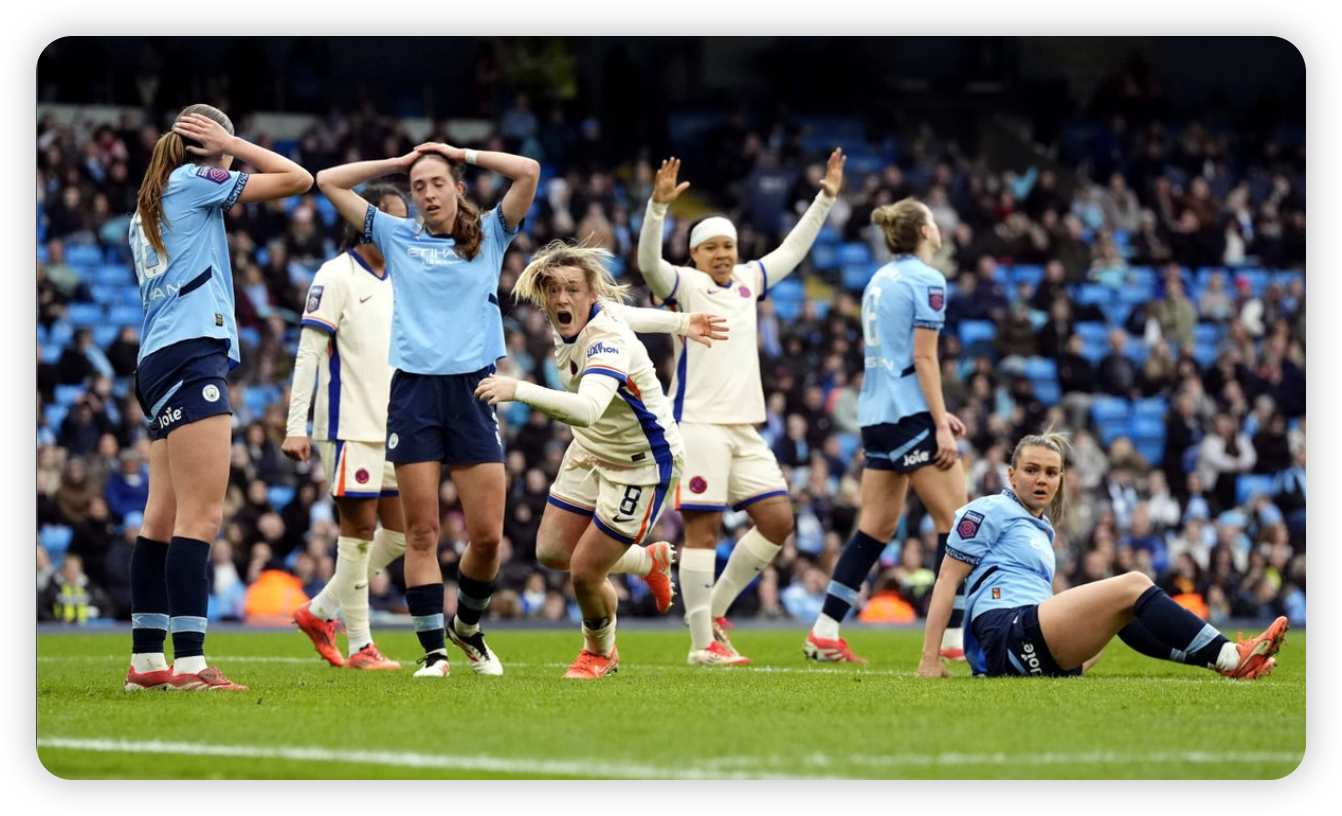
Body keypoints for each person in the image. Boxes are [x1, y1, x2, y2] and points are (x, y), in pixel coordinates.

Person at [318, 139, 539, 678]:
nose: (428, 193)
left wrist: (462, 151)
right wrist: (396, 164)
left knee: (487, 537)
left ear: (458, 189)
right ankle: (434, 653)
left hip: (473, 391)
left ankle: (467, 627)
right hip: (415, 393)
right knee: (421, 533)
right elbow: (328, 180)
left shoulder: (490, 232)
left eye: (438, 183)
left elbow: (528, 171)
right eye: (418, 187)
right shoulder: (397, 236)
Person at [124, 105, 312, 692]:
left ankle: (147, 662)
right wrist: (236, 146)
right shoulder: (190, 181)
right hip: (191, 353)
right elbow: (298, 179)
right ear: (208, 144)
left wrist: (225, 146)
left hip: (157, 359)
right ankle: (190, 663)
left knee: (160, 517)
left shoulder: (149, 203)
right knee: (201, 516)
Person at [475, 240, 726, 678]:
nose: (562, 298)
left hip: (642, 463)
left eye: (572, 289)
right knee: (552, 552)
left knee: (585, 573)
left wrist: (518, 389)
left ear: (591, 293)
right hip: (593, 447)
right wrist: (682, 322)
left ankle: (599, 651)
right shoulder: (584, 315)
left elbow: (589, 408)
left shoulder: (606, 341)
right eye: (553, 290)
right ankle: (647, 562)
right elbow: (631, 315)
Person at [636, 149, 846, 665]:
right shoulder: (685, 285)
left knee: (777, 521)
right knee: (703, 529)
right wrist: (657, 209)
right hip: (698, 423)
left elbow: (793, 249)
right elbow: (648, 265)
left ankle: (714, 613)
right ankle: (701, 643)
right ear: (694, 254)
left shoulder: (750, 280)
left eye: (728, 245)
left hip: (745, 427)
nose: (722, 254)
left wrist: (824, 198)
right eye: (711, 247)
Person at [916, 429, 1289, 680]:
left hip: (1032, 647)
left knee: (1123, 611)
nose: (1042, 479)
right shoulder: (990, 509)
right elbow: (947, 579)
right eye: (1031, 470)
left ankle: (1221, 662)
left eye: (1051, 472)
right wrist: (930, 658)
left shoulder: (1040, 528)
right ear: (1011, 476)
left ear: (1060, 479)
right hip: (1006, 633)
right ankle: (1230, 655)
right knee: (1134, 584)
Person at [802, 197, 969, 664]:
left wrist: (939, 413)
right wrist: (939, 421)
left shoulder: (879, 279)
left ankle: (824, 631)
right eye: (933, 219)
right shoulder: (928, 279)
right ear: (925, 231)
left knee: (875, 527)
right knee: (959, 524)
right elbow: (923, 357)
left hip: (876, 414)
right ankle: (952, 637)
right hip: (908, 413)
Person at [282, 183, 412, 671]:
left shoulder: (403, 277)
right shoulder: (335, 274)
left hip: (394, 427)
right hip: (348, 424)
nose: (403, 228)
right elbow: (309, 353)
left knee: (401, 535)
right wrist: (295, 425)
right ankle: (361, 646)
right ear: (365, 221)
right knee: (358, 530)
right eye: (392, 219)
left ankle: (319, 611)